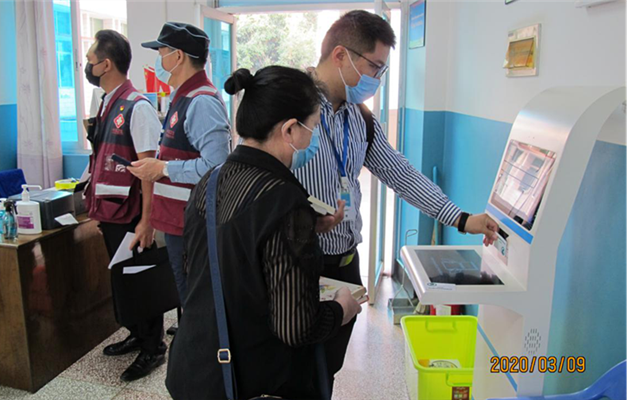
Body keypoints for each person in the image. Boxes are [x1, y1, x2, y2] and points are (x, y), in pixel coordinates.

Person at [294, 10, 500, 390]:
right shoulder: (289, 108)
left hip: (345, 265)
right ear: (340, 55)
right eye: (375, 67)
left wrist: (461, 218)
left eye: (382, 70)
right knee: (296, 371)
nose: (377, 79)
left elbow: (401, 174)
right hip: (297, 264)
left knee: (328, 368)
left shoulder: (359, 119)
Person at [165, 66, 362, 400]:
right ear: (289, 129)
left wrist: (306, 228)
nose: (312, 139)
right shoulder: (285, 200)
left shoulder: (211, 181)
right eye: (313, 127)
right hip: (252, 381)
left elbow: (205, 267)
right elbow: (296, 326)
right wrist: (342, 308)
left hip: (195, 367)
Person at [130, 22, 231, 334]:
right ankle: (194, 334)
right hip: (177, 220)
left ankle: (201, 347)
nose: (159, 60)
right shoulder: (181, 96)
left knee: (196, 295)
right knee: (187, 293)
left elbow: (217, 166)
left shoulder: (201, 102)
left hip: (193, 222)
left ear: (179, 56)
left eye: (162, 52)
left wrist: (163, 169)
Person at [83, 30, 166, 381]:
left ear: (106, 64)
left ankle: (154, 347)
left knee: (140, 279)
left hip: (131, 213)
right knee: (123, 280)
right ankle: (136, 333)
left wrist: (147, 221)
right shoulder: (106, 103)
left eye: (90, 59)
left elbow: (149, 171)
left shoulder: (137, 107)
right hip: (110, 209)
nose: (87, 65)